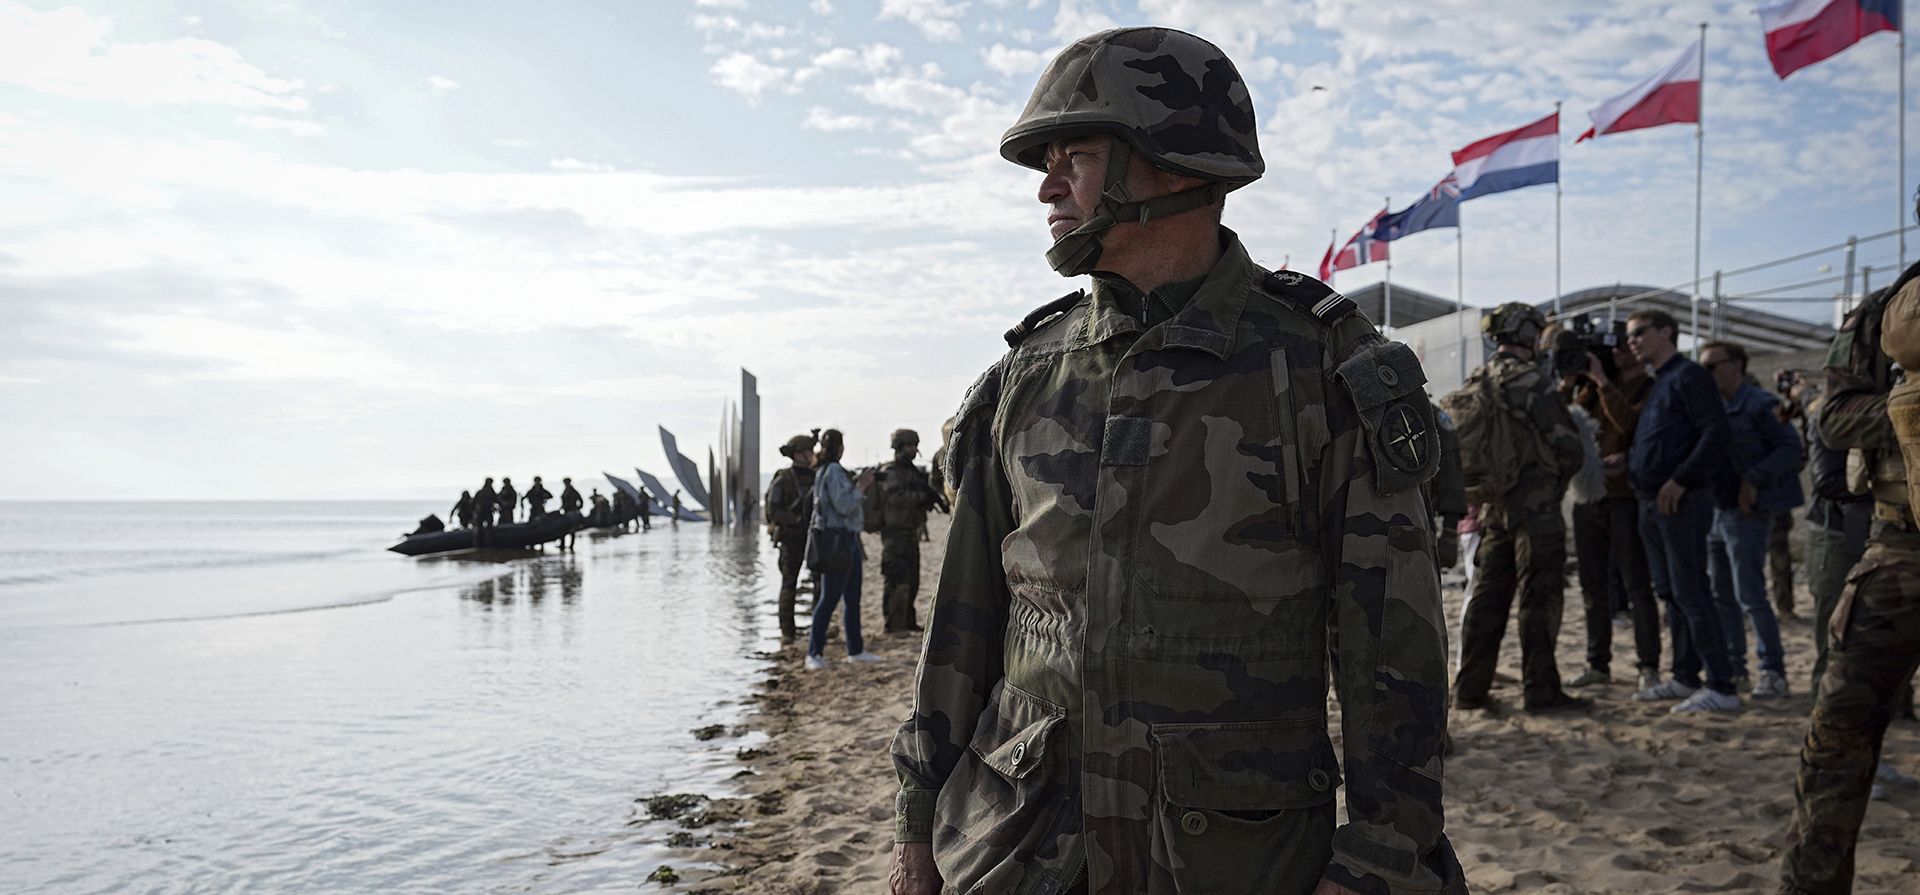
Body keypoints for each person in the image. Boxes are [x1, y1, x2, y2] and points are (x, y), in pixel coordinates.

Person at [888, 28, 1461, 895]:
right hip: (1021, 848)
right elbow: (963, 627)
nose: (1047, 187)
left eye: (1074, 157)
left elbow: (1397, 660)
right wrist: (916, 823)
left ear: (1179, 164)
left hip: (1234, 860)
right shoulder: (1025, 378)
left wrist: (1378, 857)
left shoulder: (1321, 373)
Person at [1780, 241, 1920, 892]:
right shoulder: (1886, 311)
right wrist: (1906, 410)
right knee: (1837, 740)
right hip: (1899, 551)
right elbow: (1833, 417)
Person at [1450, 304, 1587, 715]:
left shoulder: (1480, 378)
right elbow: (1569, 445)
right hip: (1536, 505)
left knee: (1487, 599)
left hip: (1495, 505)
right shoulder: (1530, 380)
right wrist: (1557, 481)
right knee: (1539, 598)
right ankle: (1541, 692)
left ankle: (1470, 690)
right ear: (1527, 333)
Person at [1625, 308, 1740, 714]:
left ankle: (1722, 685)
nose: (1631, 341)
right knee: (1672, 594)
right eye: (1629, 335)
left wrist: (1681, 480)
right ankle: (1685, 676)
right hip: (1651, 503)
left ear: (1666, 332)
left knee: (1692, 591)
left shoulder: (1689, 376)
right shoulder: (1659, 383)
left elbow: (1716, 432)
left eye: (1639, 333)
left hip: (1681, 501)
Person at [1699, 340, 1802, 701]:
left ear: (1736, 366)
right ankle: (1734, 668)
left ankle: (1772, 671)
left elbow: (1792, 449)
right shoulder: (1710, 407)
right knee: (1721, 596)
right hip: (1716, 511)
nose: (1707, 374)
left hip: (1746, 515)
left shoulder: (1760, 404)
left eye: (1713, 366)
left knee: (1750, 596)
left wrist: (1754, 479)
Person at [1562, 339, 1663, 691]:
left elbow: (1630, 427)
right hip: (1588, 496)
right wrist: (1573, 382)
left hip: (1625, 497)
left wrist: (1603, 382)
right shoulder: (1588, 389)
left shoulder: (1649, 387)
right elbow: (1567, 424)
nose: (1618, 352)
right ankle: (1597, 664)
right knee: (1592, 587)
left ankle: (1648, 665)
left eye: (1623, 346)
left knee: (1637, 585)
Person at [1803, 394, 1872, 687]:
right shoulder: (1830, 415)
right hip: (1839, 529)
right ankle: (1827, 694)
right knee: (1834, 619)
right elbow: (1827, 481)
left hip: (1883, 530)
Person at [805, 428, 881, 669]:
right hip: (839, 542)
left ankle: (855, 650)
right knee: (830, 599)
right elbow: (844, 505)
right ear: (840, 448)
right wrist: (863, 485)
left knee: (851, 597)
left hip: (842, 540)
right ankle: (813, 653)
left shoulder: (822, 470)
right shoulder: (834, 471)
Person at [877, 429, 939, 634]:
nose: (914, 450)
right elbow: (897, 497)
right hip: (895, 534)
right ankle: (894, 625)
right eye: (910, 446)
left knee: (912, 580)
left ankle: (907, 621)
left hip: (911, 533)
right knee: (897, 579)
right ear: (899, 447)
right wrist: (922, 497)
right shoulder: (891, 471)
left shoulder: (912, 472)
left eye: (915, 445)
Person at [767, 431, 820, 639]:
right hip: (792, 538)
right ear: (797, 454)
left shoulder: (816, 477)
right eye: (806, 451)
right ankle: (787, 631)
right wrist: (796, 520)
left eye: (811, 450)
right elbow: (774, 511)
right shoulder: (784, 479)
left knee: (819, 583)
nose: (810, 455)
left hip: (813, 538)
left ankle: (817, 628)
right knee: (789, 584)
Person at [559, 477, 584, 551]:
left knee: (572, 530)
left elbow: (580, 500)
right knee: (563, 529)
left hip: (572, 512)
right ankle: (563, 545)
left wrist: (577, 508)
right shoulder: (565, 491)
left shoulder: (573, 491)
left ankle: (571, 546)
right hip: (566, 512)